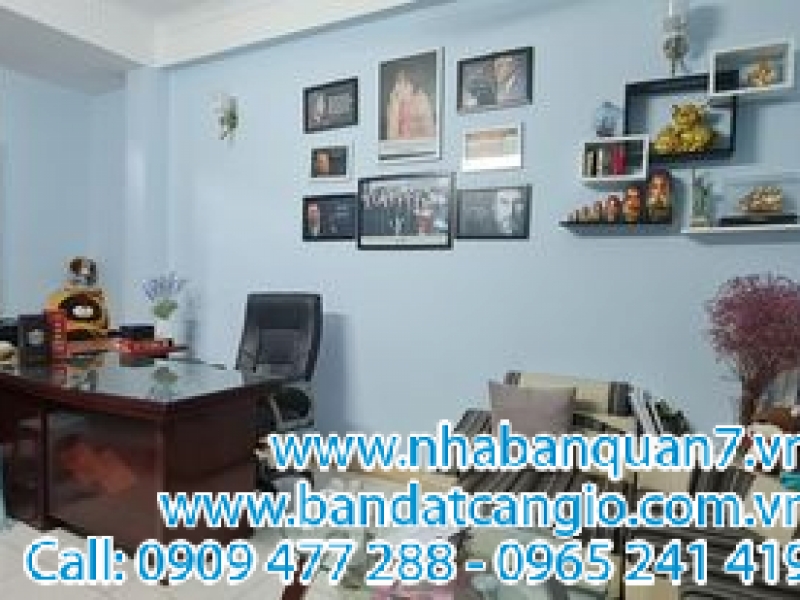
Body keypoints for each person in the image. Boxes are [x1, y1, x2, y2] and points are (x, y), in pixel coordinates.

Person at [386, 69, 435, 140]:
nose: (397, 88)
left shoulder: (422, 100)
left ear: (412, 87)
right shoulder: (395, 99)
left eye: (404, 84)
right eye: (397, 83)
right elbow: (391, 136)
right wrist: (395, 107)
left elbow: (430, 134)